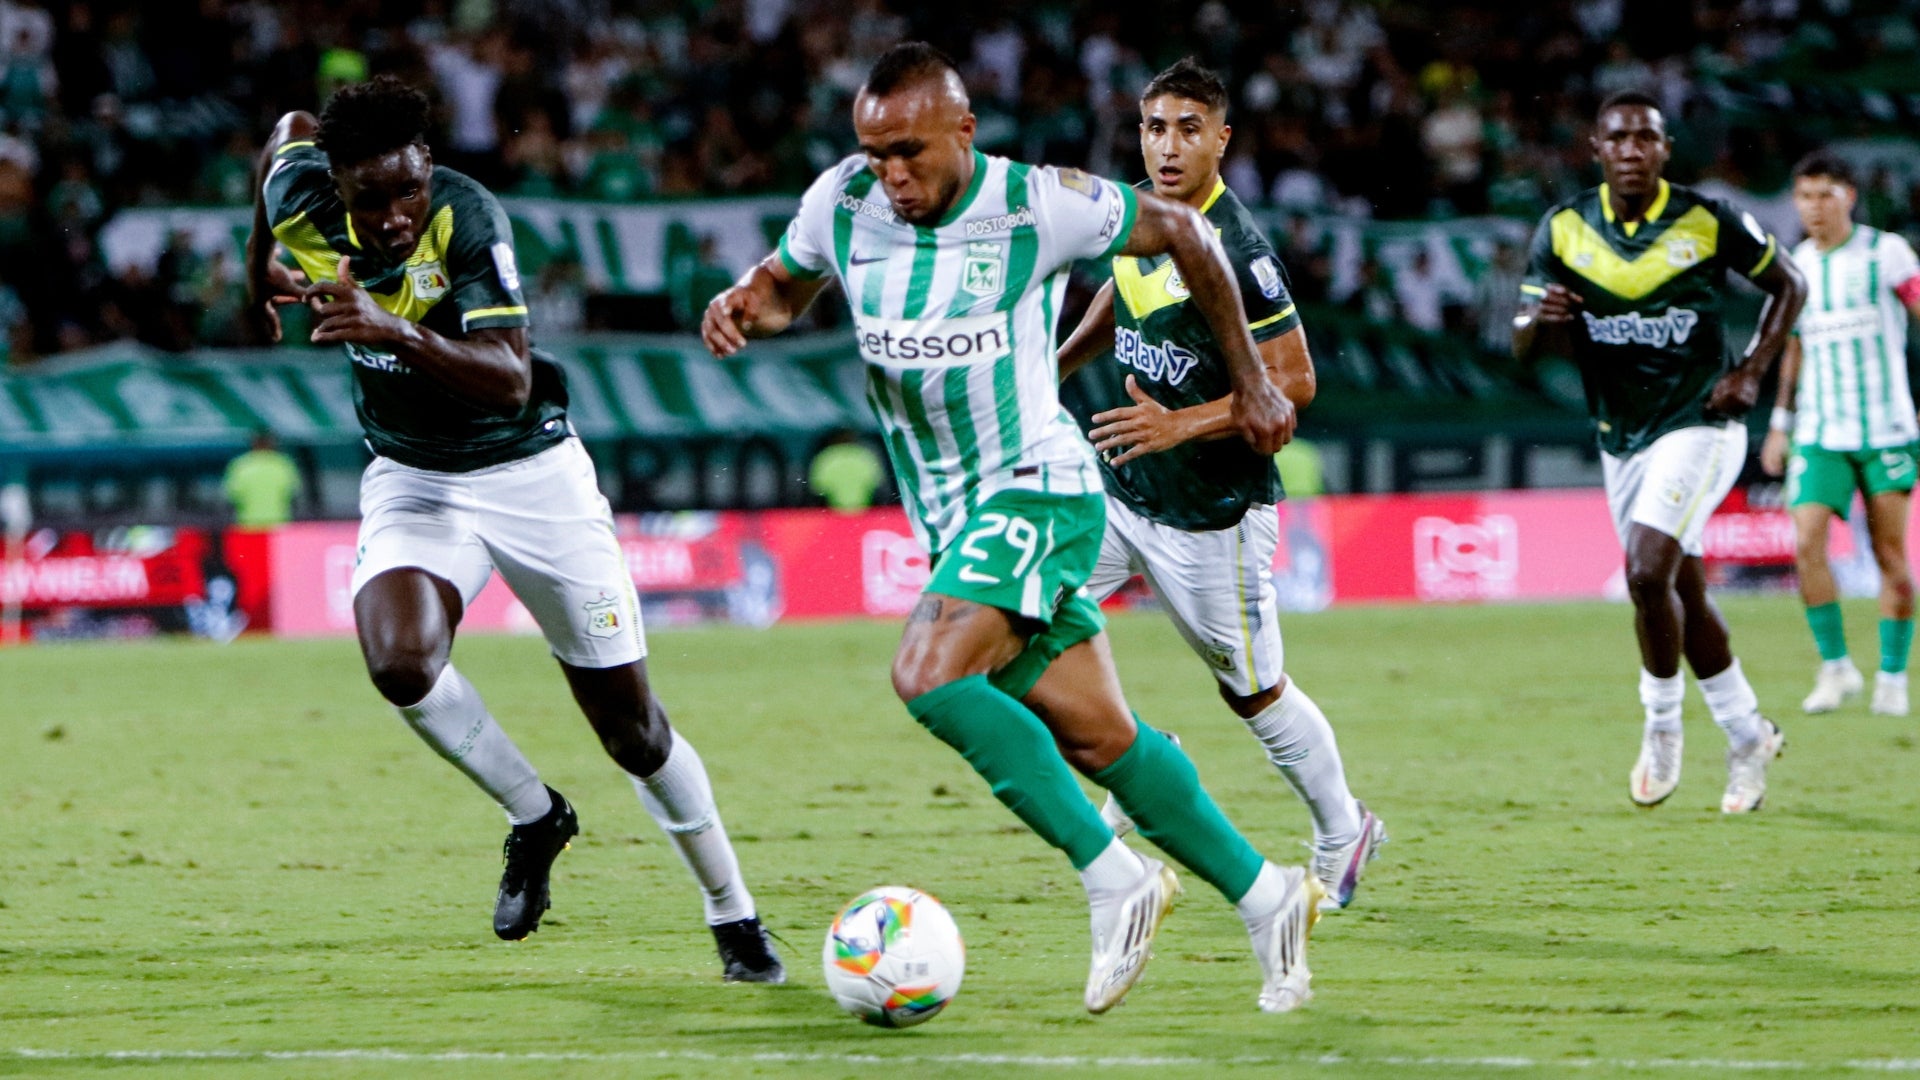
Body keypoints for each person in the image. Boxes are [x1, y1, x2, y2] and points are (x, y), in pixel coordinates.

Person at [702, 43, 1322, 1015]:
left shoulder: (1041, 204)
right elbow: (786, 287)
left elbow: (1192, 242)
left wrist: (1249, 381)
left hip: (1039, 484)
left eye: (909, 151)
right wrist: (747, 306)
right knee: (1099, 736)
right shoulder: (844, 203)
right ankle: (1268, 894)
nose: (892, 174)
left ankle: (1113, 879)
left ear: (963, 132)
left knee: (928, 675)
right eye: (874, 154)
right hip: (953, 522)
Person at [244, 77, 782, 982]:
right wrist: (261, 256)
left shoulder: (467, 217)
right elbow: (283, 134)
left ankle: (734, 915)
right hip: (415, 478)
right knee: (400, 663)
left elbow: (509, 378)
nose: (392, 218)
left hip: (534, 476)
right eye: (368, 198)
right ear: (333, 183)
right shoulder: (302, 195)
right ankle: (536, 817)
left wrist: (390, 327)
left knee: (634, 733)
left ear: (429, 167)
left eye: (408, 188)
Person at [1055, 58, 1384, 914]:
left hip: (1213, 515)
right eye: (1154, 127)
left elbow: (1294, 382)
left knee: (1253, 695)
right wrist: (1057, 364)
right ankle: (1138, 756)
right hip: (1123, 493)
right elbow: (1119, 295)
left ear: (1221, 141)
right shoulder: (1139, 210)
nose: (1168, 146)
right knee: (1018, 622)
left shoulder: (1240, 251)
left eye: (1188, 129)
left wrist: (1181, 421)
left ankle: (1345, 826)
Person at [1513, 90, 1807, 813]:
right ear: (1597, 149)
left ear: (1665, 149)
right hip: (1621, 435)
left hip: (1700, 422)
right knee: (1683, 590)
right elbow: (1520, 340)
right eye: (1619, 139)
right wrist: (1538, 319)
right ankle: (1746, 734)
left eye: (1647, 138)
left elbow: (1788, 284)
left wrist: (1749, 372)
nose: (1633, 151)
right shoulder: (1564, 228)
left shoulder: (1705, 219)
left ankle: (1662, 723)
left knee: (1646, 573)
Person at [1760, 151, 1920, 717]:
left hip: (1887, 430)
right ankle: (1836, 668)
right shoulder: (1795, 266)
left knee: (1890, 555)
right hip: (1820, 431)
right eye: (1804, 196)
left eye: (1825, 194)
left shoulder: (1888, 253)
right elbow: (1794, 349)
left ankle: (1894, 676)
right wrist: (1781, 423)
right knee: (1805, 543)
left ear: (1849, 196)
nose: (1814, 207)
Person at [222, 429, 302, 528]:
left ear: (253, 444)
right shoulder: (284, 464)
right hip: (279, 524)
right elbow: (294, 495)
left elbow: (231, 497)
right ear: (273, 444)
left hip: (248, 525)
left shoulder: (240, 465)